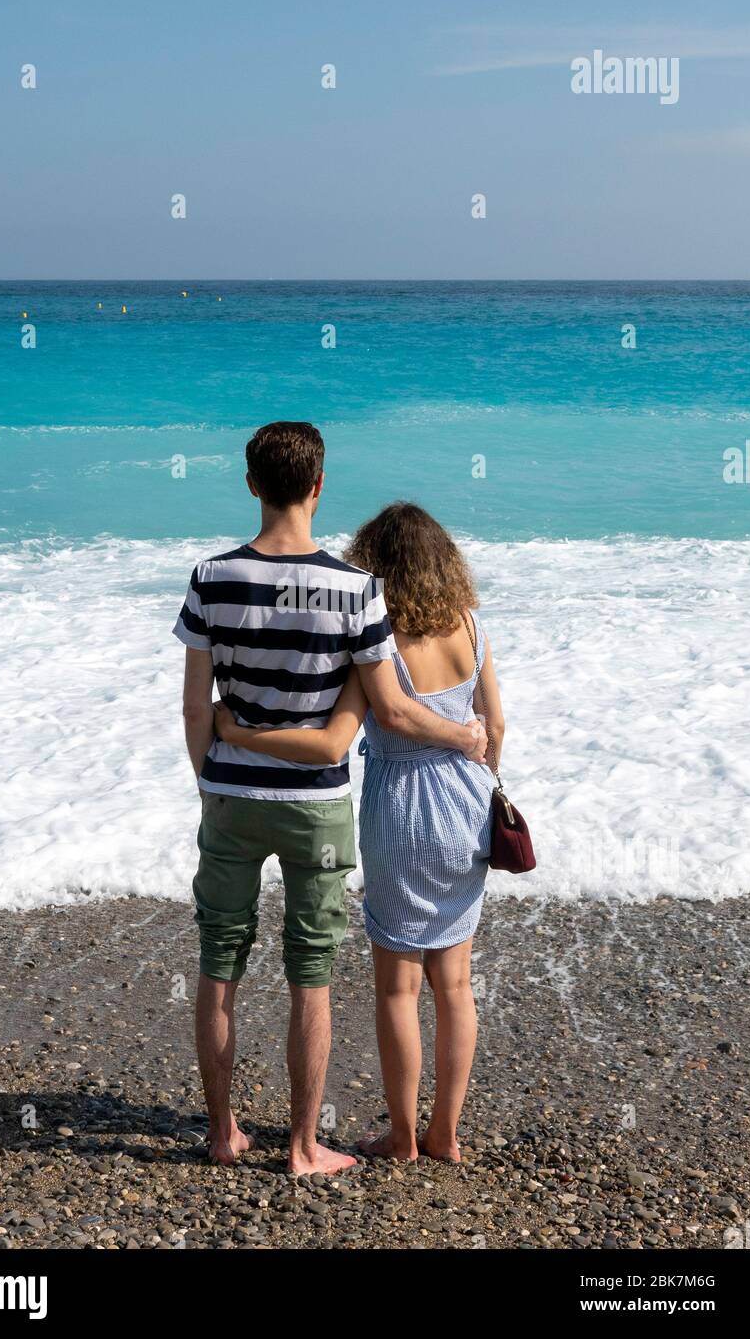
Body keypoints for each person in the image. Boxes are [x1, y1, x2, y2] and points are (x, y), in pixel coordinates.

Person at [176, 426, 487, 1175]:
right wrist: (469, 742)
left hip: (228, 793)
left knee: (220, 963)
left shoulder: (209, 577)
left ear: (250, 484)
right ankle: (303, 1145)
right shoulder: (357, 592)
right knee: (308, 974)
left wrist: (212, 773)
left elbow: (193, 709)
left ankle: (223, 1135)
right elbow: (384, 711)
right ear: (319, 486)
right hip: (317, 804)